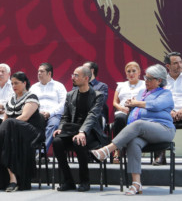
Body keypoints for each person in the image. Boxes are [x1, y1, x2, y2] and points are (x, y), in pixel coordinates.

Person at [91, 64, 175, 195]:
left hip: (163, 130)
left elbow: (156, 106)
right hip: (144, 131)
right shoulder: (142, 92)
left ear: (159, 80)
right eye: (145, 77)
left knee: (139, 124)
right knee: (133, 142)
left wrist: (137, 103)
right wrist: (131, 104)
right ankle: (136, 184)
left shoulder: (166, 93)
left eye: (149, 78)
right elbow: (136, 111)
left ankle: (107, 150)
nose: (145, 80)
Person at [0, 71, 45, 191]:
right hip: (14, 132)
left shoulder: (31, 96)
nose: (13, 86)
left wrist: (8, 125)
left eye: (16, 83)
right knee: (6, 139)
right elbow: (4, 120)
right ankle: (13, 180)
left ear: (24, 83)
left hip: (31, 131)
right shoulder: (11, 99)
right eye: (12, 83)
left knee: (9, 123)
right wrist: (4, 130)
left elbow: (25, 117)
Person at [52, 65, 108, 192]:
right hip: (72, 130)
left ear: (86, 78)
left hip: (90, 132)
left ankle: (84, 180)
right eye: (73, 75)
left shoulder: (98, 95)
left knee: (78, 140)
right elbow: (65, 116)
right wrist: (61, 128)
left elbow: (92, 116)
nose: (73, 77)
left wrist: (82, 132)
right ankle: (68, 180)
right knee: (57, 142)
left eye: (76, 75)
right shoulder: (70, 94)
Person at [30, 62, 67, 152]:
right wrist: (37, 112)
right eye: (38, 71)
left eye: (42, 71)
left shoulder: (59, 86)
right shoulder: (33, 87)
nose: (39, 73)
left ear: (49, 73)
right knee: (29, 126)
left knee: (54, 125)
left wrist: (50, 113)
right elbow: (29, 103)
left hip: (54, 115)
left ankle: (40, 153)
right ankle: (30, 153)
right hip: (37, 115)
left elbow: (64, 103)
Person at [111, 61, 143, 162]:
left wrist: (136, 103)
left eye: (134, 71)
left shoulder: (144, 85)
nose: (131, 73)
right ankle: (117, 150)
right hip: (123, 110)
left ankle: (137, 148)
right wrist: (121, 108)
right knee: (120, 118)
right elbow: (115, 102)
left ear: (139, 72)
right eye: (128, 71)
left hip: (138, 109)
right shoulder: (121, 85)